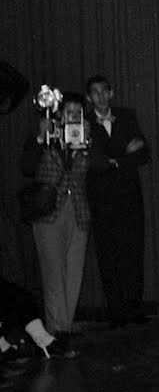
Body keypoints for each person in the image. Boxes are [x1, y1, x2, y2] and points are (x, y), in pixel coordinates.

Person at [19, 94, 90, 353]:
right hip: (49, 212)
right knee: (53, 274)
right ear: (59, 114)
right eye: (68, 111)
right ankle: (55, 329)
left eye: (77, 112)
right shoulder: (46, 136)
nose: (73, 115)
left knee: (73, 273)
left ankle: (64, 329)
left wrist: (85, 145)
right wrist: (41, 137)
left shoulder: (85, 136)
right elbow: (27, 166)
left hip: (78, 211)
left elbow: (97, 168)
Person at [84, 75, 149, 327]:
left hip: (130, 197)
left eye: (104, 91)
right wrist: (124, 153)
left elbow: (144, 154)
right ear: (89, 97)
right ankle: (116, 313)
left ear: (111, 93)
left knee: (133, 252)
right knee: (107, 256)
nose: (100, 96)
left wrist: (115, 159)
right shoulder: (84, 121)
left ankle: (134, 309)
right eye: (95, 92)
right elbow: (97, 162)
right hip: (101, 199)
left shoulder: (127, 115)